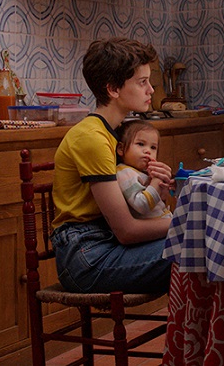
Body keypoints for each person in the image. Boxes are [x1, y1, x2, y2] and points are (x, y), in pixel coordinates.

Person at [50, 38, 173, 294]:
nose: (151, 90)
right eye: (142, 82)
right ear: (113, 89)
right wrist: (188, 223)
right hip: (87, 258)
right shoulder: (92, 138)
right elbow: (127, 231)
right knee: (198, 246)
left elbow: (132, 204)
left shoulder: (117, 134)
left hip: (106, 243)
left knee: (203, 244)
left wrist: (155, 188)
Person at [115, 119, 173, 220]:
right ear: (121, 149)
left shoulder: (141, 172)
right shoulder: (125, 173)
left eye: (153, 147)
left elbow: (158, 202)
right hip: (152, 232)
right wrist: (156, 181)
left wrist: (163, 190)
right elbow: (142, 205)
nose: (148, 151)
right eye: (141, 144)